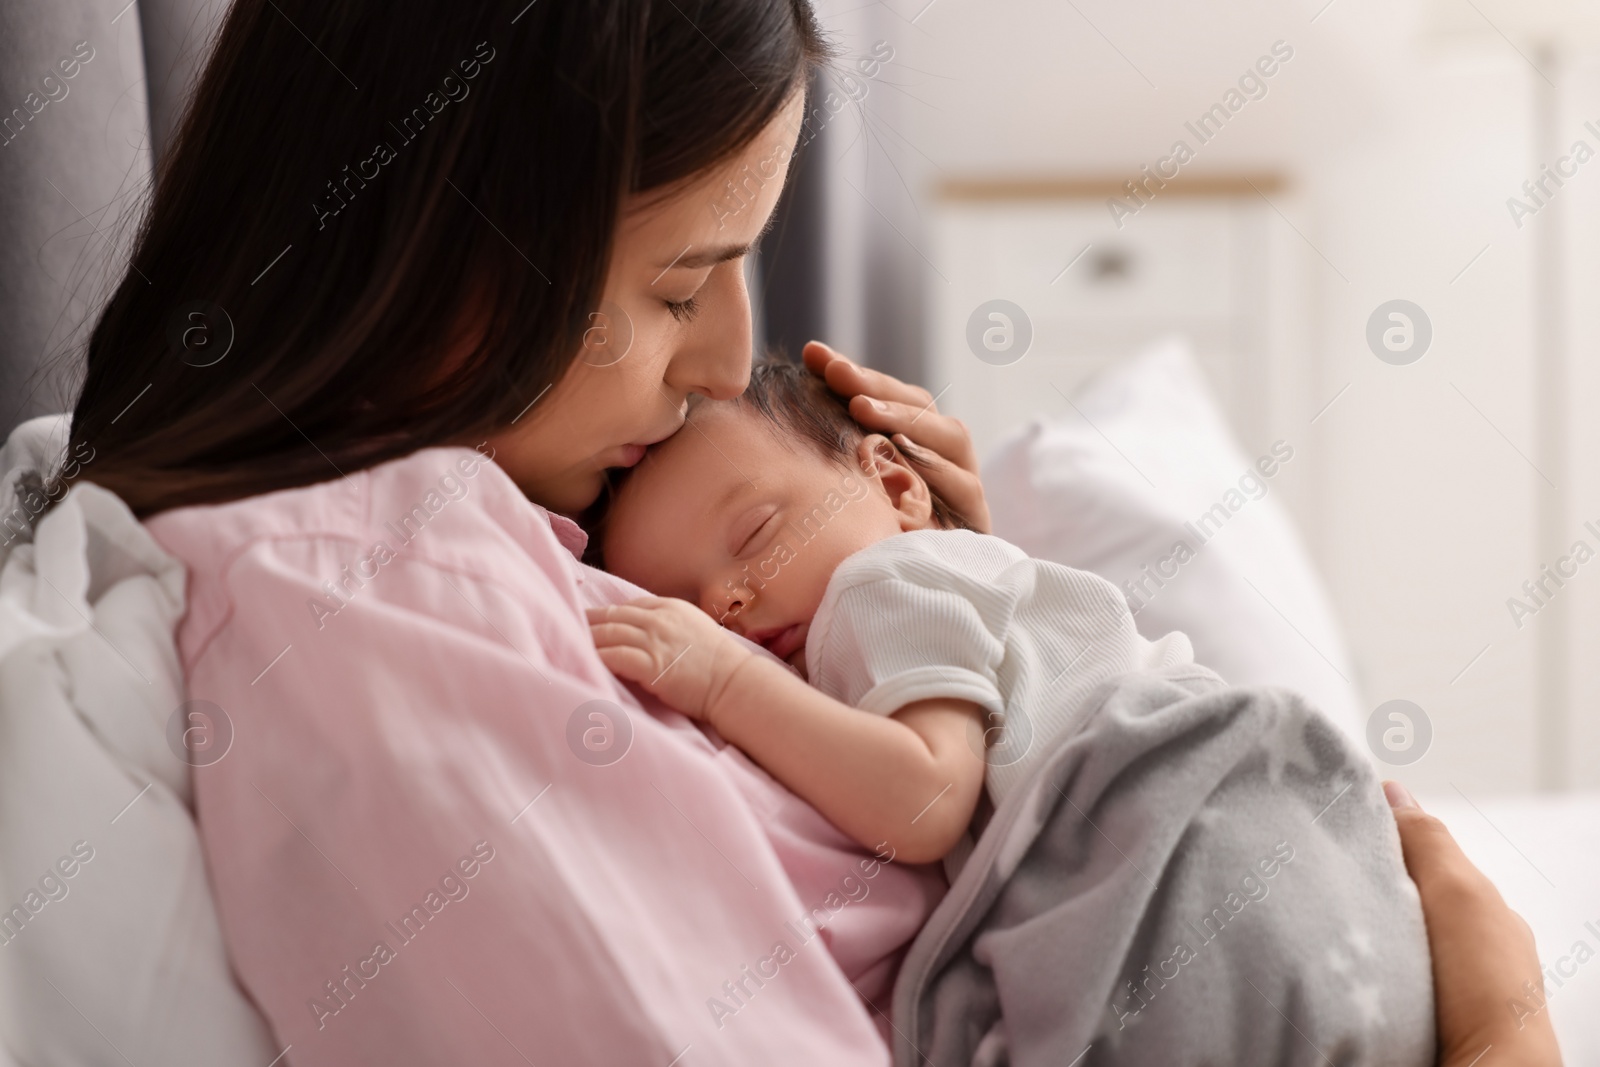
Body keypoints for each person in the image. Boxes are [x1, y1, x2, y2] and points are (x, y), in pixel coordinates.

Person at [47, 1, 1560, 1064]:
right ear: (443, 248)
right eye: (671, 285)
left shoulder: (518, 544)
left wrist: (959, 646)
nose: (721, 359)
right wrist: (1502, 1036)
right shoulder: (369, 594)